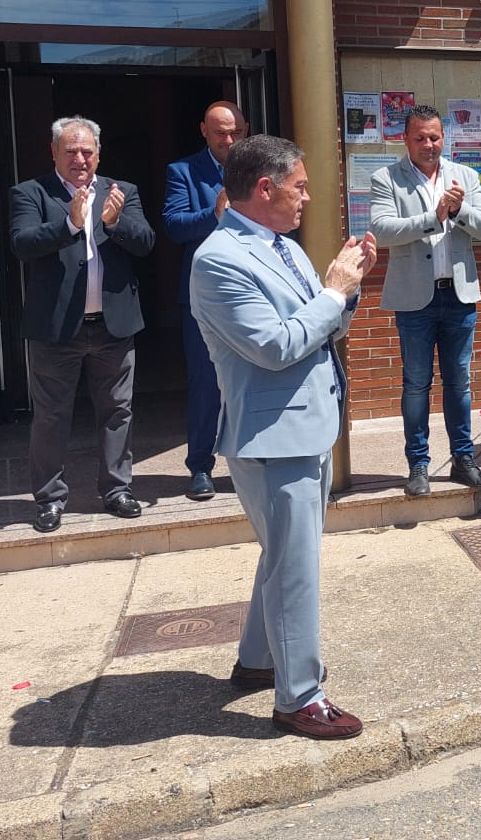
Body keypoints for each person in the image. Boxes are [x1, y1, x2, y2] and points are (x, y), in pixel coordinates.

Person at [190, 134, 375, 739]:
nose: (308, 196)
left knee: (282, 554)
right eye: (299, 185)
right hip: (271, 439)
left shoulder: (284, 248)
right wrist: (333, 292)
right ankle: (300, 695)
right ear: (264, 189)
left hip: (305, 425)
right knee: (296, 565)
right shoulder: (218, 259)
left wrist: (348, 286)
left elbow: (321, 324)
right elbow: (275, 346)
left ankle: (257, 660)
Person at [9, 116, 155, 533]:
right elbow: (22, 244)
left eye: (87, 151)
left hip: (113, 326)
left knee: (117, 412)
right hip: (57, 330)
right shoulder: (31, 192)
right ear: (53, 152)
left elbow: (145, 242)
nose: (79, 158)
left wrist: (114, 222)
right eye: (70, 150)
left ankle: (117, 490)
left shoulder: (121, 191)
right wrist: (71, 223)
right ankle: (50, 499)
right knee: (52, 417)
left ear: (98, 153)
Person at [369, 105, 481, 497]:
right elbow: (381, 229)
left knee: (459, 383)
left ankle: (463, 460)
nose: (429, 144)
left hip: (458, 296)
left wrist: (458, 210)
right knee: (415, 385)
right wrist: (432, 216)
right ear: (405, 139)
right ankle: (419, 465)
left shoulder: (465, 176)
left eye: (435, 137)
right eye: (420, 137)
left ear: (445, 138)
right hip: (414, 300)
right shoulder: (386, 178)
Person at [162, 101, 247, 502]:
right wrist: (212, 214)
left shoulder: (256, 167)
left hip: (251, 293)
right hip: (201, 296)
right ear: (203, 130)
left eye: (235, 132)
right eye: (220, 133)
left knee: (253, 378)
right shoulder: (183, 171)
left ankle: (252, 463)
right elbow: (174, 227)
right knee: (205, 384)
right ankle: (200, 466)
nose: (228, 140)